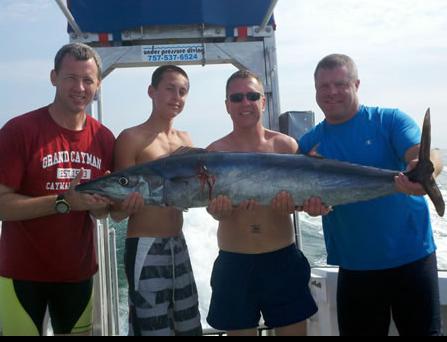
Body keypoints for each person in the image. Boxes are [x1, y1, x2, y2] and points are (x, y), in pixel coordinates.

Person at [298, 54, 443, 336]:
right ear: (315, 90)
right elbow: (309, 198)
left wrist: (427, 169)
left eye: (340, 84)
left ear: (357, 84)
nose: (331, 92)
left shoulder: (389, 120)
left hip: (412, 259)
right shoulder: (310, 143)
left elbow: (427, 155)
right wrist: (310, 207)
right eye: (323, 86)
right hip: (355, 267)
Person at [0, 43, 115, 336]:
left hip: (77, 275)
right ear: (54, 77)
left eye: (88, 80)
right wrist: (63, 201)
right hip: (20, 275)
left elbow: (101, 212)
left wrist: (100, 204)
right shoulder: (19, 131)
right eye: (70, 78)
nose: (80, 87)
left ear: (98, 85)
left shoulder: (103, 138)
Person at [205, 70, 318, 336]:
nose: (245, 103)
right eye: (237, 97)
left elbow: (308, 197)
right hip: (235, 263)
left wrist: (300, 206)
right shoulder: (213, 153)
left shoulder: (285, 146)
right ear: (227, 105)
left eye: (252, 96)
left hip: (282, 260)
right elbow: (206, 203)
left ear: (263, 102)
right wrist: (217, 212)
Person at [110, 65, 202, 336]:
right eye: (170, 89)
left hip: (179, 244)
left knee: (188, 324)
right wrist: (125, 206)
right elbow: (115, 209)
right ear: (152, 92)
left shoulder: (186, 140)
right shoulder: (131, 138)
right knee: (151, 328)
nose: (177, 97)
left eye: (183, 91)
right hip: (145, 247)